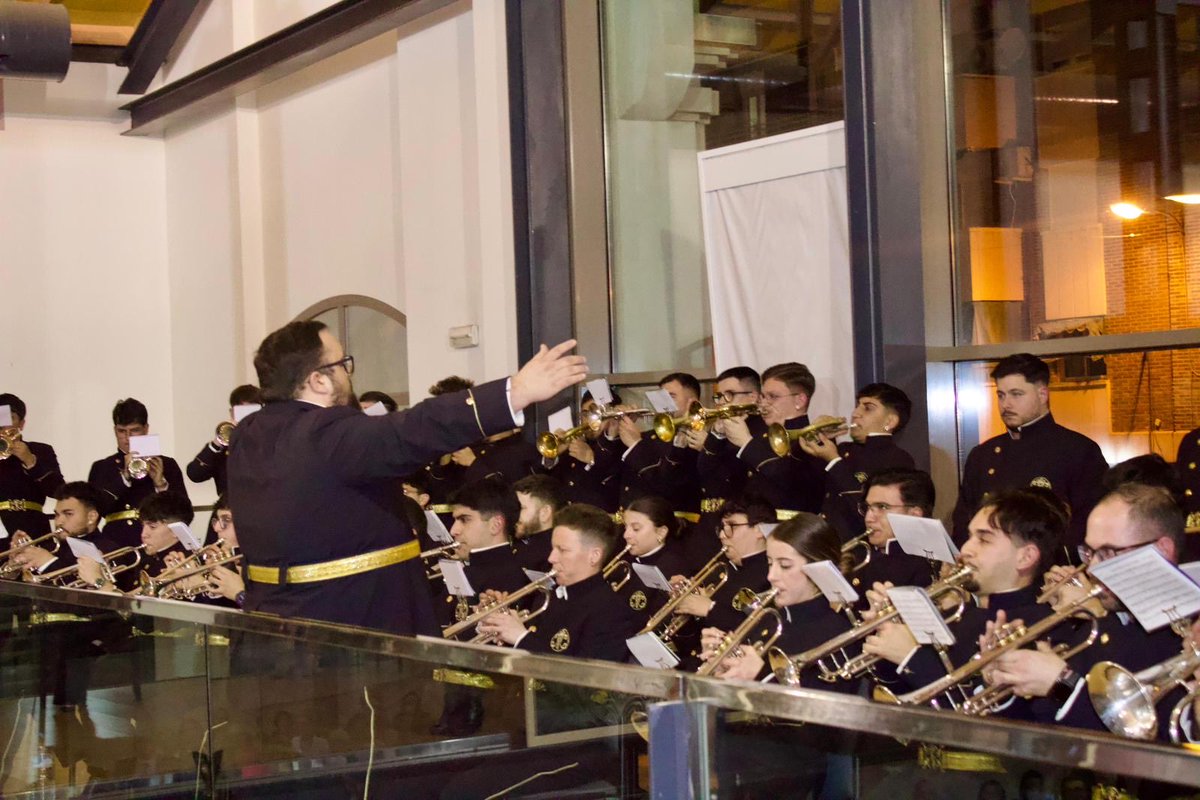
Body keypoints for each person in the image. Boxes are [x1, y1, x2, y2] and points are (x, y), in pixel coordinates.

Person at [226, 320, 586, 635]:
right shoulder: (325, 433)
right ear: (319, 380)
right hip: (353, 626)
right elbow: (412, 429)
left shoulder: (250, 433)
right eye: (342, 363)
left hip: (277, 622)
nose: (349, 372)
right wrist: (516, 393)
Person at [982, 483, 1186, 736]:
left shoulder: (1184, 633)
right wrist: (1007, 679)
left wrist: (1060, 685)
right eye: (1089, 552)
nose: (1091, 569)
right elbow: (1042, 727)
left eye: (1109, 552)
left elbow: (1157, 737)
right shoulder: (1098, 627)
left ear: (1162, 550)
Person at [863, 488, 1064, 709]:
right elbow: (896, 689)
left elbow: (994, 722)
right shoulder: (957, 615)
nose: (966, 549)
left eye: (984, 540)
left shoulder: (1043, 629)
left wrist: (912, 657)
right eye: (969, 537)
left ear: (1025, 557)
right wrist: (885, 636)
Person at [952, 353, 1108, 553]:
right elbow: (964, 518)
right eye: (1001, 395)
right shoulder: (983, 454)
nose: (1006, 404)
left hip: (1049, 569)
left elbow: (1089, 521)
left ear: (1043, 394)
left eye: (1016, 394)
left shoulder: (1078, 450)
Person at [476, 503, 640, 660]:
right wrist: (496, 626)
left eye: (563, 550)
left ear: (594, 556)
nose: (551, 558)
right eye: (553, 548)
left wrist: (520, 637)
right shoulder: (547, 598)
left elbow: (584, 680)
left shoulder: (611, 613)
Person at [799, 382, 916, 541]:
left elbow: (867, 507)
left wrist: (834, 461)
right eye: (857, 406)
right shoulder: (843, 449)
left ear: (889, 422)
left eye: (868, 408)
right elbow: (810, 491)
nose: (855, 413)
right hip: (826, 541)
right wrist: (820, 440)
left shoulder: (897, 458)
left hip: (860, 546)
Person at [721, 362, 827, 516]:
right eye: (763, 396)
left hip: (791, 529)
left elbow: (788, 480)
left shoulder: (814, 437)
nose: (764, 403)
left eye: (773, 397)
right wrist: (717, 435)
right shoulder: (760, 435)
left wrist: (746, 443)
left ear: (800, 400)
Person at [688, 366, 762, 569]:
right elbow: (705, 471)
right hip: (711, 523)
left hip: (741, 527)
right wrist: (715, 436)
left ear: (752, 397)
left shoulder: (760, 431)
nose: (721, 402)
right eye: (719, 396)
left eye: (729, 395)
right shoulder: (720, 431)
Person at [88, 398, 188, 548]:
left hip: (159, 543)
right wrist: (124, 477)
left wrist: (161, 485)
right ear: (115, 430)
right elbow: (96, 511)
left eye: (135, 430)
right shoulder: (102, 467)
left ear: (146, 429)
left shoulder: (167, 464)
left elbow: (184, 514)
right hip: (117, 542)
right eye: (122, 431)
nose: (128, 438)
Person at [848, 468, 938, 598]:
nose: (868, 518)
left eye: (882, 507)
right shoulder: (860, 557)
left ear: (914, 515)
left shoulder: (924, 567)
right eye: (868, 507)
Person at [0, 393, 64, 536]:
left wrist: (31, 461)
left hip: (33, 525)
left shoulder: (41, 450)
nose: (2, 426)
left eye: (8, 419)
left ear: (21, 423)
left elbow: (59, 490)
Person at [186, 384, 262, 495]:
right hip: (230, 508)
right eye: (242, 412)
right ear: (232, 413)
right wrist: (219, 442)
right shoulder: (223, 450)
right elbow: (195, 474)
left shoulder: (273, 442)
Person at [512, 474, 567, 572]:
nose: (514, 514)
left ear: (545, 513)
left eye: (521, 508)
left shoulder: (551, 558)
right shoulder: (520, 540)